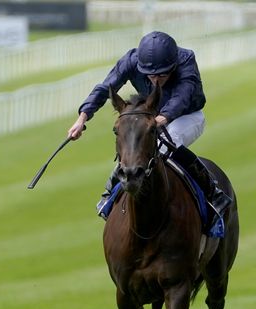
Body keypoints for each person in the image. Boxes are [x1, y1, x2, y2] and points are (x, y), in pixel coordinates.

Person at [67, 30, 230, 222]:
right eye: (150, 75)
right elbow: (106, 87)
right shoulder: (131, 60)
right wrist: (82, 117)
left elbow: (183, 97)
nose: (156, 80)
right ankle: (111, 190)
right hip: (150, 116)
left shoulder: (186, 60)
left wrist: (163, 118)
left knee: (168, 142)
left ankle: (213, 192)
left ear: (173, 64)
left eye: (162, 74)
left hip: (188, 116)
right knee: (133, 144)